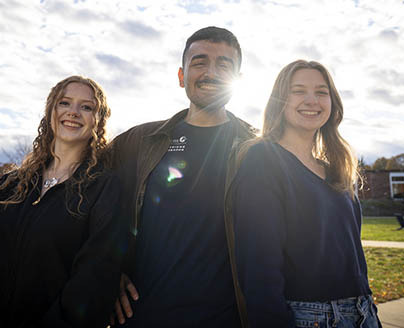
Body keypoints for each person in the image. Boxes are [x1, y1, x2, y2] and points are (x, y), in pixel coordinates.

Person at [0, 76, 124, 328]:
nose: (73, 112)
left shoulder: (104, 188)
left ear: (98, 120)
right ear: (51, 111)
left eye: (86, 107)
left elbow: (94, 281)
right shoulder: (10, 185)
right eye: (64, 103)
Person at [110, 27, 256, 327]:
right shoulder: (138, 142)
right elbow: (92, 208)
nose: (211, 72)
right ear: (181, 75)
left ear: (238, 80)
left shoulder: (258, 148)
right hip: (143, 316)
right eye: (200, 62)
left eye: (224, 64)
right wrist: (108, 272)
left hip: (226, 319)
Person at [228, 60, 381, 327]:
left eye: (321, 92)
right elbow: (258, 265)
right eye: (298, 91)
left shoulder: (336, 168)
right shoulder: (263, 159)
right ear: (280, 101)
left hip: (363, 311)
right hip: (310, 318)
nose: (312, 100)